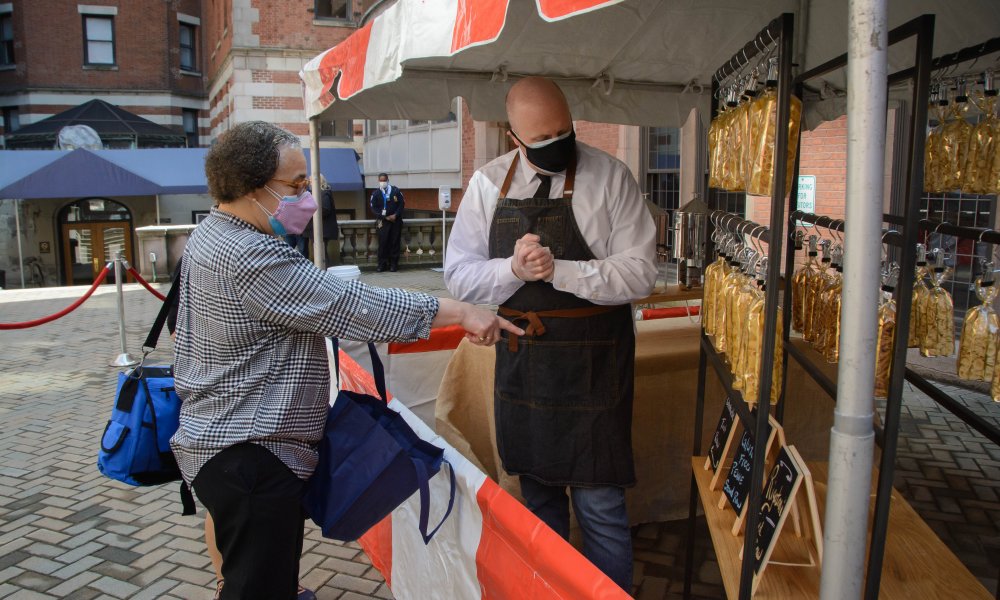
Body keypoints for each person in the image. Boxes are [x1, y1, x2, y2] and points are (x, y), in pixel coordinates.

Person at [170, 121, 522, 600]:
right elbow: (355, 308)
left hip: (220, 438)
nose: (305, 196)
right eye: (295, 185)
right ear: (252, 187)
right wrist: (460, 311)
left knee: (250, 572)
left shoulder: (212, 232)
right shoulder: (249, 254)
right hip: (251, 453)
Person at [443, 77, 657, 592]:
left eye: (564, 130)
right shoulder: (487, 185)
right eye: (541, 139)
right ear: (514, 136)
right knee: (538, 502)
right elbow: (459, 275)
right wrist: (514, 270)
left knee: (600, 502)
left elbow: (641, 275)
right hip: (525, 363)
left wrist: (559, 270)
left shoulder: (611, 177)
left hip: (596, 366)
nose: (556, 143)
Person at [302, 174, 341, 266]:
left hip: (322, 229)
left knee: (321, 253)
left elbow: (325, 209)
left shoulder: (323, 193)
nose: (309, 183)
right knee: (319, 253)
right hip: (318, 229)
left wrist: (310, 211)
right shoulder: (318, 193)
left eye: (311, 181)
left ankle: (324, 271)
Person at [369, 173, 404, 272]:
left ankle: (393, 264)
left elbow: (401, 204)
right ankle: (382, 265)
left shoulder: (396, 191)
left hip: (395, 221)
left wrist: (395, 215)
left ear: (388, 180)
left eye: (384, 180)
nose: (382, 182)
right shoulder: (375, 194)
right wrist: (385, 217)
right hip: (383, 222)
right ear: (378, 181)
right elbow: (373, 208)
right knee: (383, 243)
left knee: (394, 243)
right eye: (381, 180)